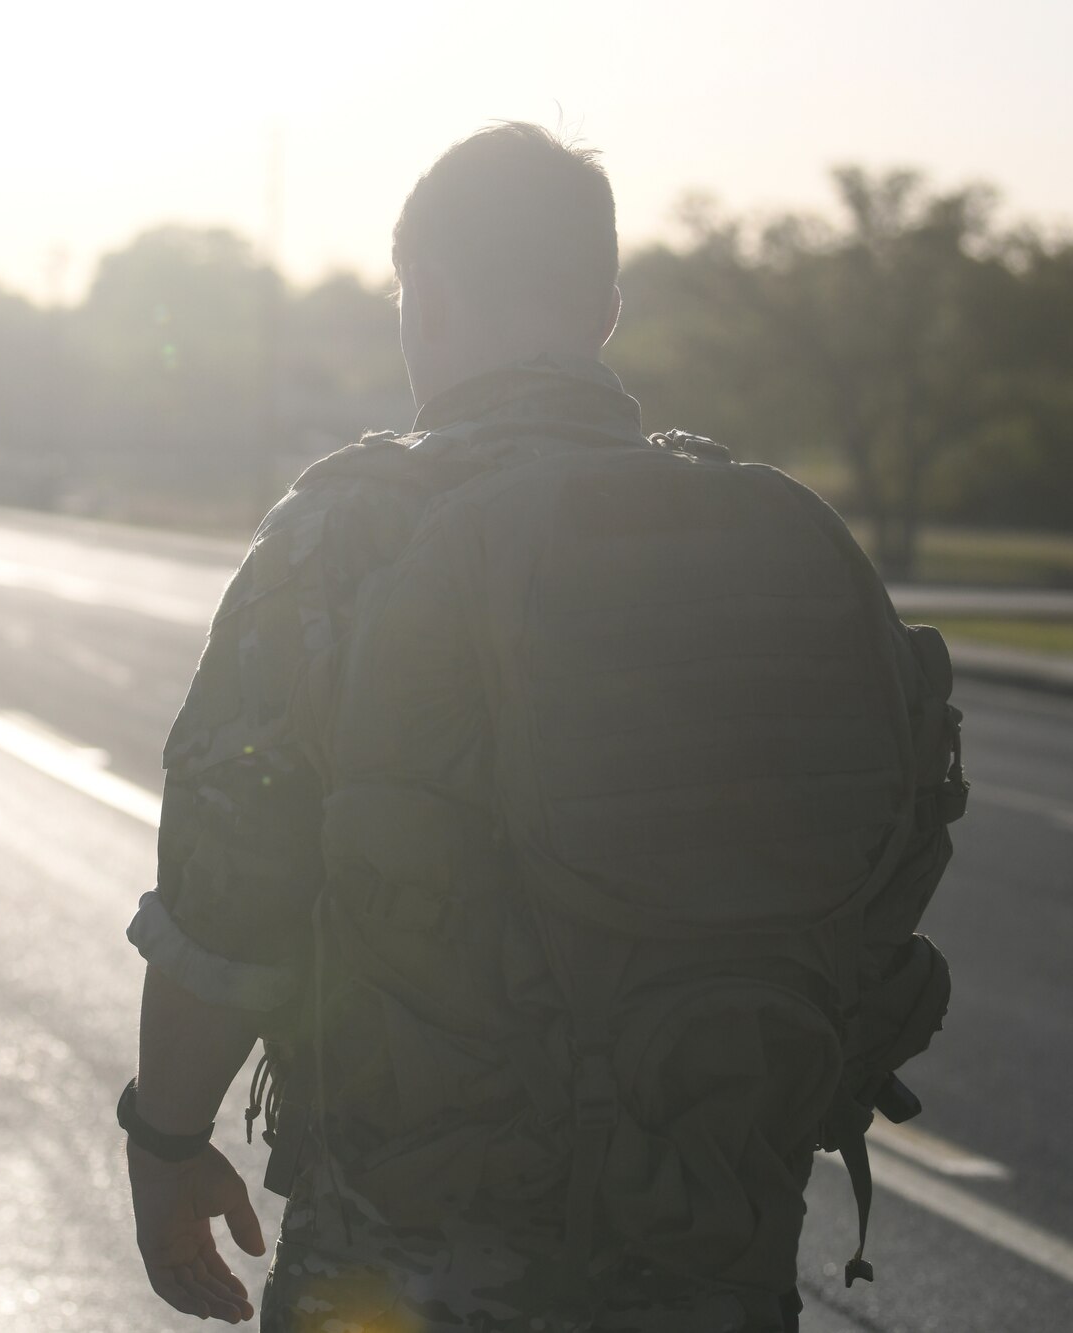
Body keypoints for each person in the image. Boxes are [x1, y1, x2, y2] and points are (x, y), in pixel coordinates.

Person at [120, 122, 959, 1332]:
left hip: (417, 1255)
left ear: (434, 298)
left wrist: (165, 1140)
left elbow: (225, 906)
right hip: (709, 1234)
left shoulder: (346, 537)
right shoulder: (767, 545)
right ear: (604, 310)